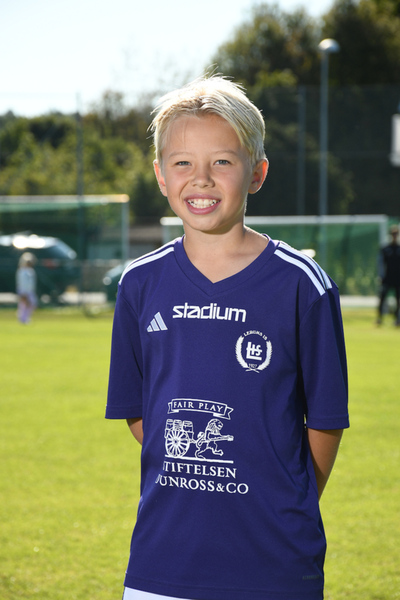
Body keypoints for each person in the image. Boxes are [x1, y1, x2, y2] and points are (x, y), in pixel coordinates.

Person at [106, 75, 349, 600]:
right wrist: (200, 463)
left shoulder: (301, 284)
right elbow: (139, 413)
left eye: (222, 161)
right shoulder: (139, 284)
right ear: (160, 175)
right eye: (182, 163)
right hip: (163, 561)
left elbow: (326, 421)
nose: (201, 179)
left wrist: (282, 495)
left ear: (256, 172)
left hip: (274, 563)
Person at [377, 224, 400, 326]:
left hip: (398, 278)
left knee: (398, 299)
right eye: (393, 234)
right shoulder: (385, 249)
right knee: (382, 297)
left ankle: (397, 319)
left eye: (396, 234)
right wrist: (380, 276)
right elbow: (380, 263)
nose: (394, 236)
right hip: (387, 277)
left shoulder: (399, 248)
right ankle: (379, 318)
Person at [16, 252, 37, 324]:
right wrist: (23, 293)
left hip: (30, 291)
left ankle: (25, 318)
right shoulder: (22, 271)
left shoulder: (30, 271)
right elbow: (22, 283)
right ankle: (23, 319)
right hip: (24, 291)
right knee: (24, 305)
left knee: (31, 304)